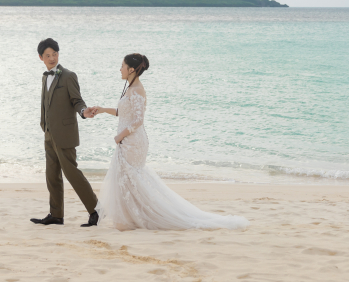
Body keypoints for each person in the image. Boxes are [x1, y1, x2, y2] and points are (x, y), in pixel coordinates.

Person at [87, 53, 249, 231]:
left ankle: (142, 217)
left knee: (129, 179)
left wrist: (120, 136)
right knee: (126, 181)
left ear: (131, 69)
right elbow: (124, 113)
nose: (120, 69)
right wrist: (102, 110)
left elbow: (138, 120)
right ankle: (131, 218)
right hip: (127, 141)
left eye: (122, 66)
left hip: (132, 142)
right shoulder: (130, 88)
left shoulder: (137, 89)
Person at [30, 38, 99, 227]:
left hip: (65, 134)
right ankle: (56, 215)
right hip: (49, 133)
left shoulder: (68, 76)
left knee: (72, 174)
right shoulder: (45, 77)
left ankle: (95, 210)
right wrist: (44, 125)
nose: (52, 58)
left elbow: (77, 100)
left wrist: (83, 111)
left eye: (55, 54)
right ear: (41, 57)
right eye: (48, 55)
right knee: (52, 176)